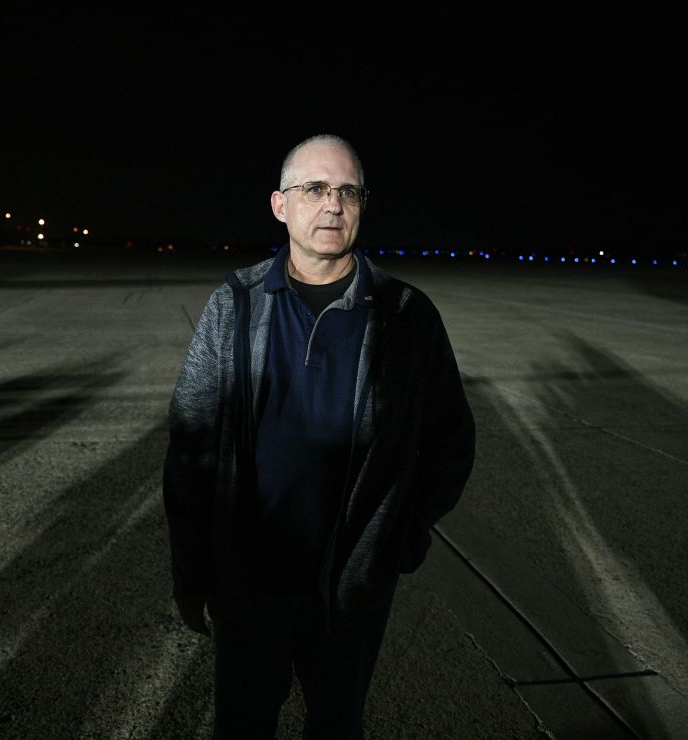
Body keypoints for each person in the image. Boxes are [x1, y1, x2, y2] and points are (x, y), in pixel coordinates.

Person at [162, 133, 475, 739]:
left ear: (362, 205)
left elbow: (451, 440)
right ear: (281, 205)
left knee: (337, 725)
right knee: (243, 724)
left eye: (347, 191)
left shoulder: (406, 315)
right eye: (314, 189)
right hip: (249, 583)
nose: (332, 205)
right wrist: (192, 569)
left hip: (349, 591)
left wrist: (399, 537)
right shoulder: (236, 304)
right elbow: (191, 446)